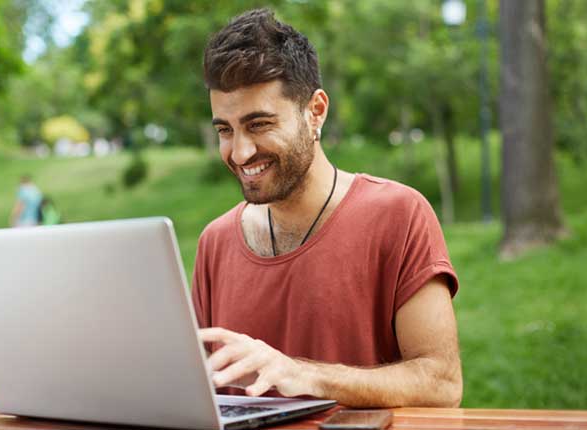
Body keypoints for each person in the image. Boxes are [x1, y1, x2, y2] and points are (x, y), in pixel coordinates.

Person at [192, 9, 462, 408]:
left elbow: (442, 384)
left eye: (259, 124)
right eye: (225, 130)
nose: (240, 151)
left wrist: (302, 373)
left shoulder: (399, 214)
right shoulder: (214, 242)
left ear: (315, 110)